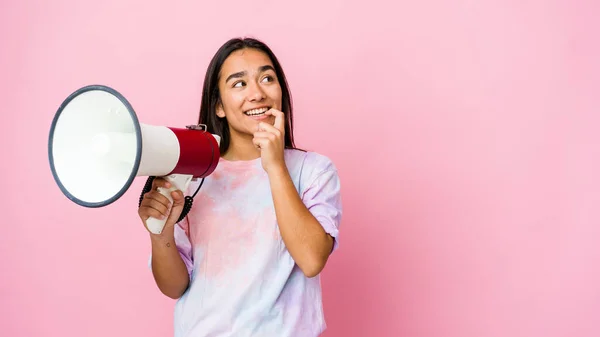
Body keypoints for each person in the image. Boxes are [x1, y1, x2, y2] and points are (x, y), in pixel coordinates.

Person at [138, 37, 343, 337]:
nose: (257, 94)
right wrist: (161, 233)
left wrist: (274, 166)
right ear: (218, 106)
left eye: (267, 78)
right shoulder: (194, 176)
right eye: (239, 84)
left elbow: (312, 259)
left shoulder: (314, 171)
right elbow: (175, 286)